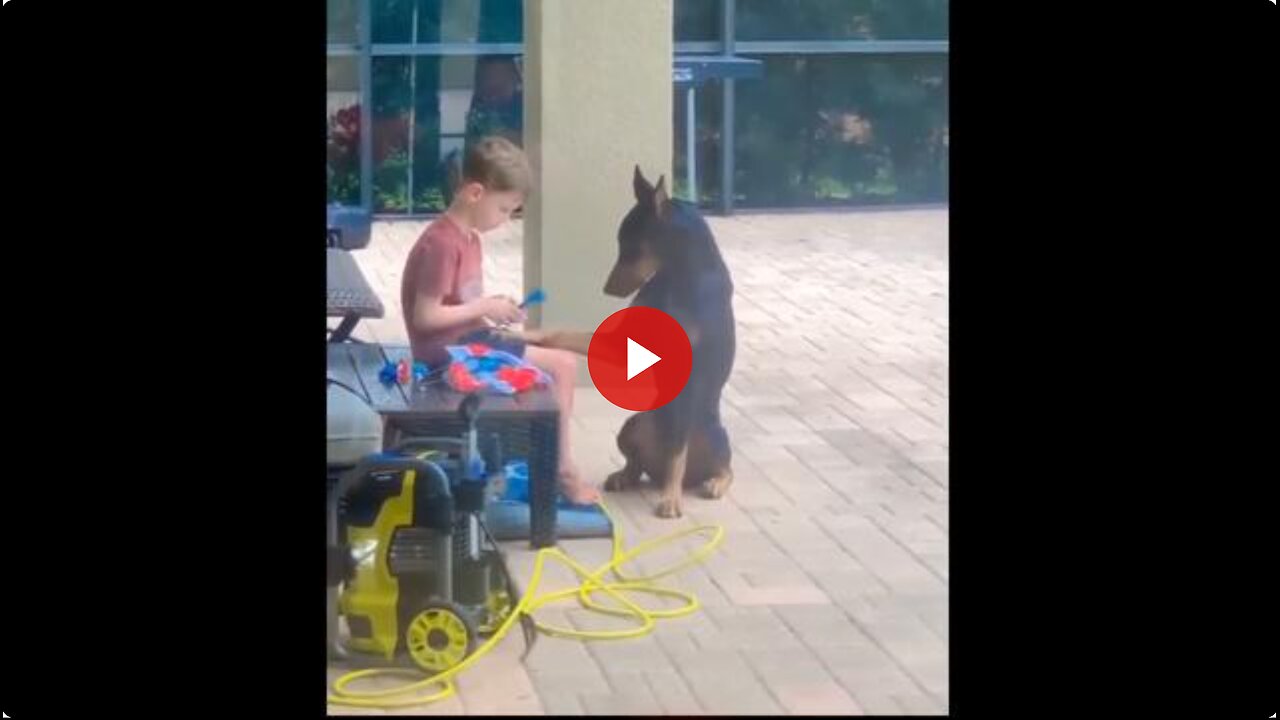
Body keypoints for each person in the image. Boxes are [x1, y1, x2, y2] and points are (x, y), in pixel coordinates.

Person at [401, 136, 600, 505]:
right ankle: (561, 468)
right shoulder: (443, 244)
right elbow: (425, 317)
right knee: (563, 367)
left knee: (550, 348)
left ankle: (547, 455)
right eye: (505, 209)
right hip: (446, 359)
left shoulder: (469, 239)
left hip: (469, 343)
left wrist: (497, 309)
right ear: (475, 193)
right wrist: (483, 308)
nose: (506, 220)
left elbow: (464, 305)